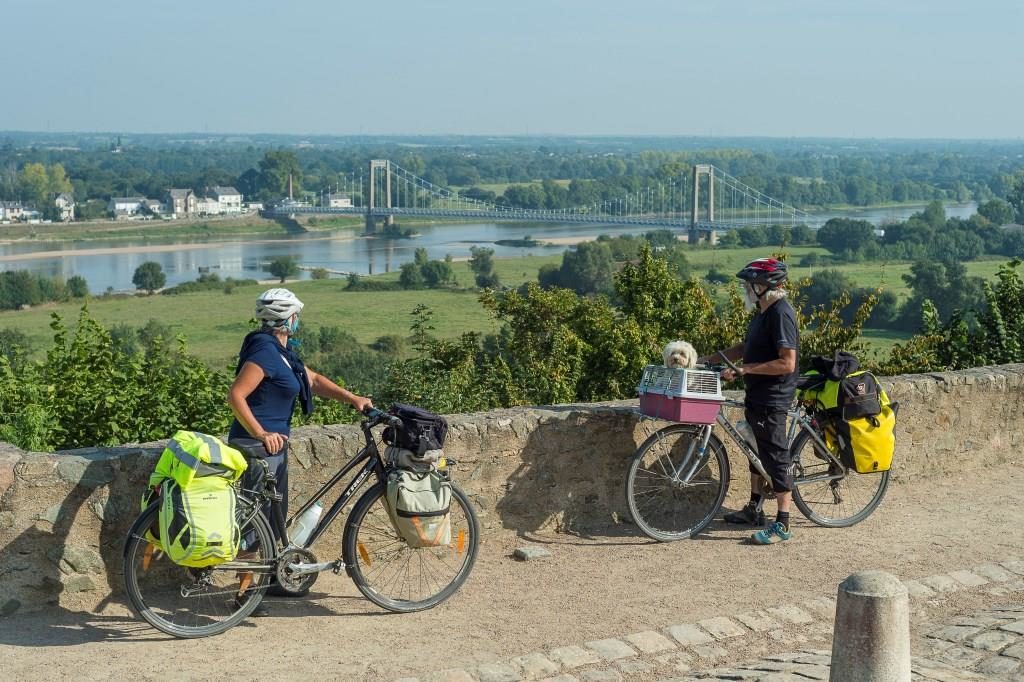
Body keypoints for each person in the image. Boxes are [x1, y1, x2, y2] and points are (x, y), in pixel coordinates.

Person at [228, 288, 372, 609]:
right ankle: (244, 593)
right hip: (257, 447)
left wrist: (353, 399)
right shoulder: (263, 354)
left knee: (272, 516)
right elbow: (236, 395)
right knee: (257, 517)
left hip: (271, 447)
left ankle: (274, 578)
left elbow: (314, 380)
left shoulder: (282, 354)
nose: (298, 322)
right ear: (287, 319)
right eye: (296, 316)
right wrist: (262, 433)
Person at [698, 258, 799, 545]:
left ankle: (783, 524)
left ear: (761, 285)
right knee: (755, 452)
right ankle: (754, 508)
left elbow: (787, 362)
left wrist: (746, 369)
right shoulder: (762, 312)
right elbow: (746, 348)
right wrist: (710, 359)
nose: (744, 288)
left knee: (776, 456)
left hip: (774, 396)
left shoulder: (781, 313)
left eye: (747, 284)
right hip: (757, 393)